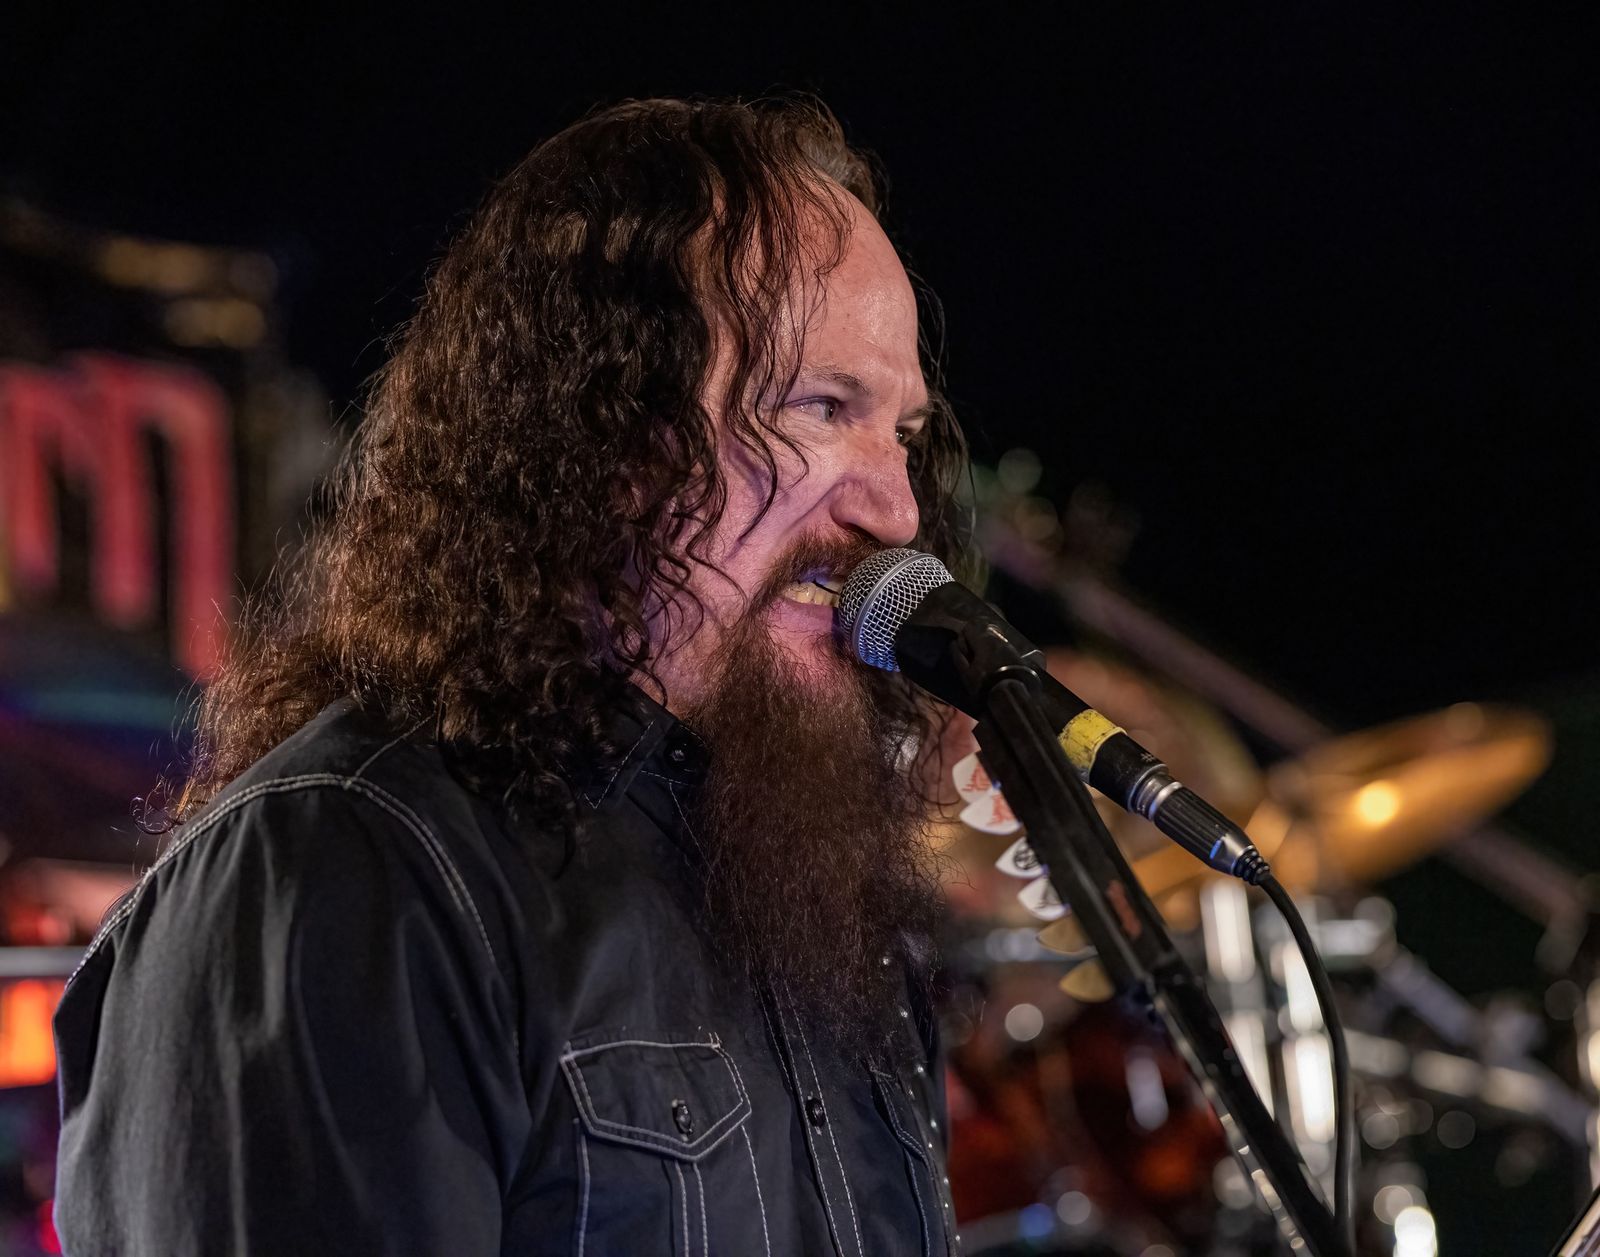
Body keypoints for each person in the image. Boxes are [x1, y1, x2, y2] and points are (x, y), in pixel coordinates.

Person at [52, 95, 972, 1256]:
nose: (895, 508)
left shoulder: (804, 882)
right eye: (822, 407)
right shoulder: (347, 862)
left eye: (902, 432)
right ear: (599, 428)